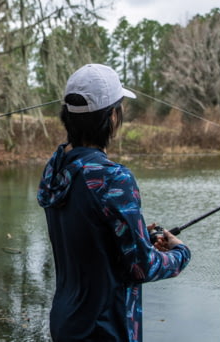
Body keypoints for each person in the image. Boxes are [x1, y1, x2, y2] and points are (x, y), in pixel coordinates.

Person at [37, 64, 191, 342]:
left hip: (66, 322)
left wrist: (137, 232)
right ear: (111, 117)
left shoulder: (55, 169)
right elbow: (141, 267)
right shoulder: (113, 178)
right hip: (105, 329)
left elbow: (88, 232)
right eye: (119, 108)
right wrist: (180, 254)